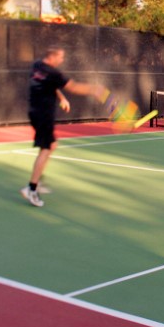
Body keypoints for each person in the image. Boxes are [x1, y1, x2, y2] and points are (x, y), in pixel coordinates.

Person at [21, 47, 104, 208]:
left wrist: (62, 98)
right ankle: (31, 188)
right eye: (60, 57)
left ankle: (37, 182)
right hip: (43, 115)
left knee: (51, 145)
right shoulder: (54, 73)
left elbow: (51, 85)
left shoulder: (37, 65)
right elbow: (73, 86)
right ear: (52, 56)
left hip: (35, 112)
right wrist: (94, 90)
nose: (62, 60)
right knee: (46, 148)